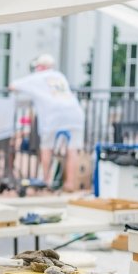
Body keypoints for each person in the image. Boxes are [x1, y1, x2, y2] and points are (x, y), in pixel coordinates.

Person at [9, 53, 86, 191]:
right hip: (75, 113)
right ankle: (69, 184)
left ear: (39, 66)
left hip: (53, 115)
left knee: (47, 147)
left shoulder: (37, 77)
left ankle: (46, 180)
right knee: (72, 149)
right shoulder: (60, 76)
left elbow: (13, 86)